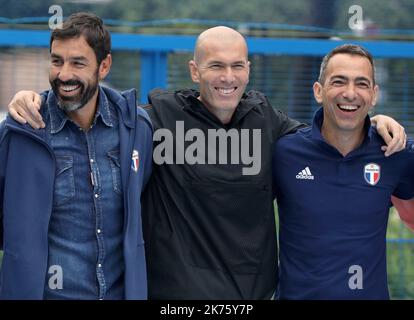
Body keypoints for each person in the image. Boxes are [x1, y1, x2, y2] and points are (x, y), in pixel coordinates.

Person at [6, 27, 407, 299]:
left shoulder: (273, 127)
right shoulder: (156, 118)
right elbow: (94, 108)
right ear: (195, 70)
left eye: (237, 66)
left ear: (248, 70)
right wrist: (36, 98)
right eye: (215, 65)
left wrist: (379, 123)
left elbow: (333, 132)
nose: (227, 77)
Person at [0, 12, 153, 299]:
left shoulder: (136, 130)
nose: (64, 74)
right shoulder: (23, 130)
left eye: (78, 63)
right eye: (57, 61)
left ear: (104, 66)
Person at [272, 44, 414, 300]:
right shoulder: (284, 152)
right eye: (339, 82)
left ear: (374, 94)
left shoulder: (396, 152)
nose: (350, 93)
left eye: (361, 84)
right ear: (318, 90)